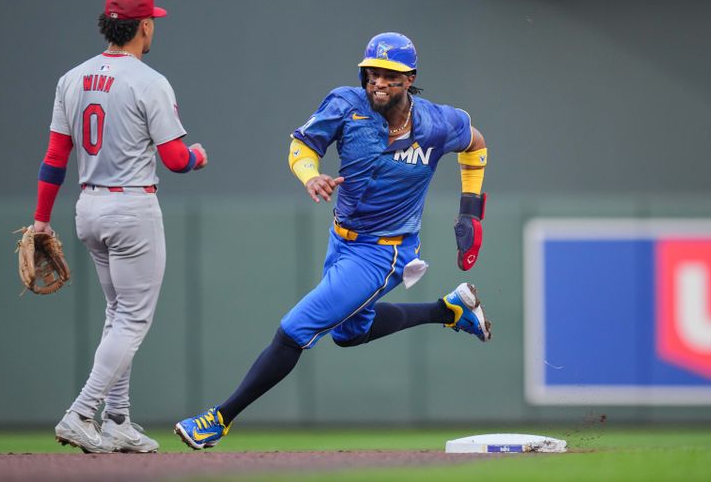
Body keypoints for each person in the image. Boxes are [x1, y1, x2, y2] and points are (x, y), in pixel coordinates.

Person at [174, 32, 489, 450]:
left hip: (385, 252)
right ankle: (449, 310)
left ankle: (218, 419)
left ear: (410, 78)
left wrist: (470, 211)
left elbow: (476, 145)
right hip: (341, 241)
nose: (377, 81)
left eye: (389, 75)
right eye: (371, 72)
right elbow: (301, 146)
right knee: (349, 334)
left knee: (295, 329)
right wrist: (311, 175)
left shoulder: (437, 122)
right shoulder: (345, 104)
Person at [32, 0, 208, 453]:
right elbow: (173, 158)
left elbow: (55, 156)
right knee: (132, 320)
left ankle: (117, 420)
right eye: (154, 22)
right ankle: (81, 412)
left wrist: (41, 221)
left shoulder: (72, 78)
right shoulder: (148, 80)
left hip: (87, 207)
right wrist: (196, 156)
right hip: (131, 207)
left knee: (117, 315)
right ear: (144, 25)